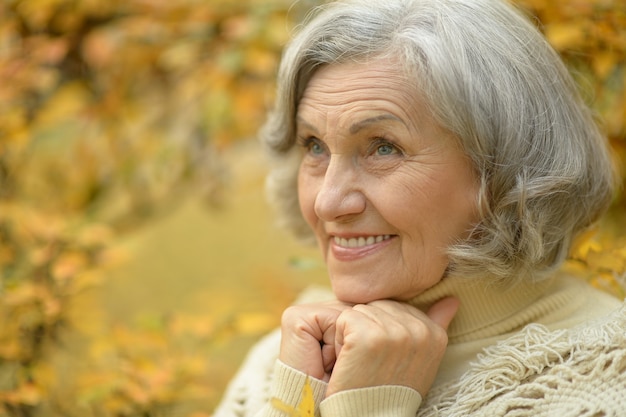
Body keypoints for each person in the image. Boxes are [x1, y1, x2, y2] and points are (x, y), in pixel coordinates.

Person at [214, 0, 626, 415]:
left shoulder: (605, 384)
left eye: (383, 148)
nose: (327, 201)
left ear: (502, 167)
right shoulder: (284, 361)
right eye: (314, 146)